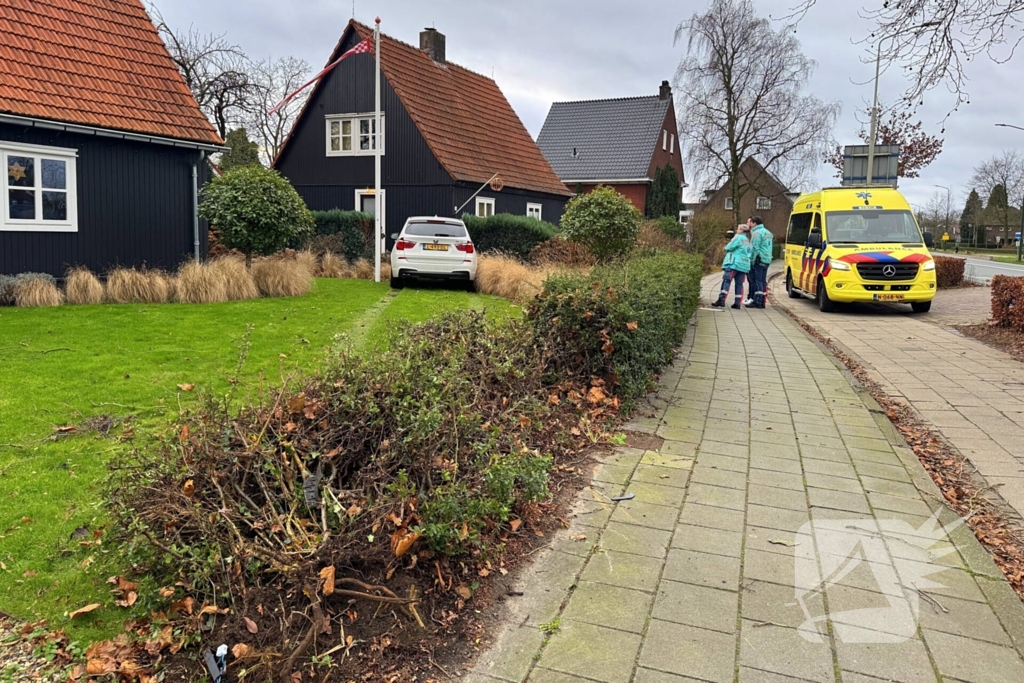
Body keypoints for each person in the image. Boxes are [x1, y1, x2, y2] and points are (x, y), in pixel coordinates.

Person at [712, 224, 752, 309]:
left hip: (734, 263)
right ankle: (737, 303)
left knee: (727, 280)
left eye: (738, 229)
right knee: (739, 284)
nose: (737, 230)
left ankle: (721, 299)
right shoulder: (747, 240)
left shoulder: (738, 237)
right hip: (744, 265)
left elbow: (729, 247)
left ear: (741, 230)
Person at [747, 216, 773, 309]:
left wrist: (751, 261)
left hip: (759, 259)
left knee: (757, 281)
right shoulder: (768, 232)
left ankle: (757, 301)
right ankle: (762, 301)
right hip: (767, 259)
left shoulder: (757, 233)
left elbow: (755, 248)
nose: (750, 225)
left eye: (751, 223)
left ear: (754, 223)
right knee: (762, 281)